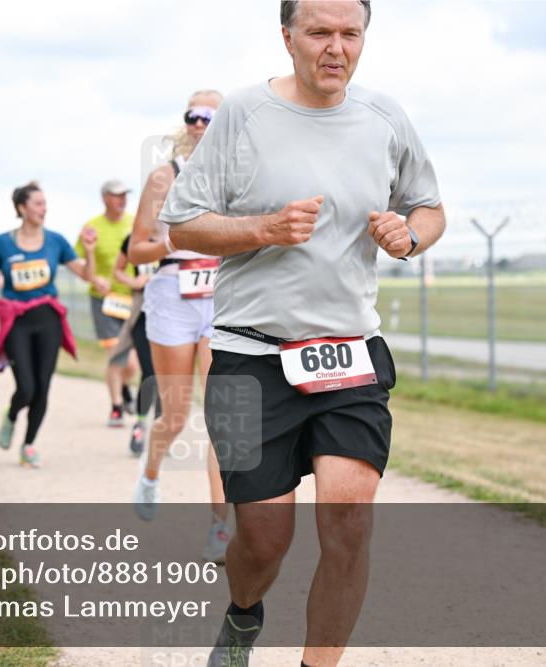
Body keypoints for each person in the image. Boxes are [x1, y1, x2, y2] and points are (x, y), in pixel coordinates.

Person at [161, 2, 447, 664]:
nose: (336, 48)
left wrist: (410, 235)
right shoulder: (241, 113)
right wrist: (262, 228)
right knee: (263, 538)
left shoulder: (385, 117)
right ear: (286, 37)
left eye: (351, 33)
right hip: (250, 355)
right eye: (320, 32)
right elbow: (183, 224)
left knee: (349, 519)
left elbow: (429, 206)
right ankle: (241, 616)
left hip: (349, 356)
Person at [126, 89, 231, 565]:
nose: (202, 123)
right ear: (186, 123)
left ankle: (220, 525)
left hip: (219, 299)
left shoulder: (237, 177)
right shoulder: (162, 178)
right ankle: (150, 474)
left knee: (220, 417)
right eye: (195, 116)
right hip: (172, 298)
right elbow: (136, 251)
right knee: (175, 415)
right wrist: (175, 238)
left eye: (213, 116)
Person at [0, 182, 96, 468]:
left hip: (48, 319)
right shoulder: (3, 243)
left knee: (43, 387)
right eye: (37, 203)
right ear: (22, 208)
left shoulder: (56, 241)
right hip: (17, 322)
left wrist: (88, 251)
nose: (43, 208)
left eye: (45, 203)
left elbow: (86, 275)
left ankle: (28, 445)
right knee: (26, 387)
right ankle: (12, 415)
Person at [77, 180, 140, 427]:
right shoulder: (91, 227)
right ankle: (116, 407)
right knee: (116, 356)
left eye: (125, 195)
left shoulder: (135, 223)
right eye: (116, 195)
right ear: (105, 198)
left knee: (132, 364)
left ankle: (125, 387)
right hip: (104, 302)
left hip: (132, 299)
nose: (122, 199)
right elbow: (78, 265)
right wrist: (95, 278)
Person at [110, 233, 160, 456]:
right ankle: (140, 425)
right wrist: (134, 282)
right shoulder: (133, 239)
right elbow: (117, 270)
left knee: (170, 374)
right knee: (150, 373)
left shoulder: (180, 233)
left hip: (172, 315)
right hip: (142, 314)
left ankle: (163, 427)